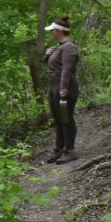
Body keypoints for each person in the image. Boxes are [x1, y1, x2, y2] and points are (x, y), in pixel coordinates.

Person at [43, 14, 80, 164]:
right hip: (53, 85)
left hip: (64, 86)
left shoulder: (69, 47)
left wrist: (64, 88)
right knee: (58, 119)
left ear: (59, 31)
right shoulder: (59, 47)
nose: (51, 33)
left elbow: (67, 69)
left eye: (53, 30)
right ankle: (58, 149)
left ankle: (69, 150)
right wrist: (47, 56)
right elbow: (52, 65)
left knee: (66, 118)